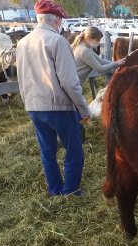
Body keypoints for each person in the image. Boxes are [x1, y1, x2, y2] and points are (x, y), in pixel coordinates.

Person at [16, 0, 91, 196]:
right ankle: (71, 190)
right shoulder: (57, 41)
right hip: (58, 107)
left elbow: (21, 76)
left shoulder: (22, 42)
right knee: (74, 150)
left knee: (47, 151)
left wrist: (27, 102)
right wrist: (84, 109)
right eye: (61, 20)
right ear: (56, 19)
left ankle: (55, 189)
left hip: (33, 105)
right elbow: (69, 82)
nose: (61, 23)